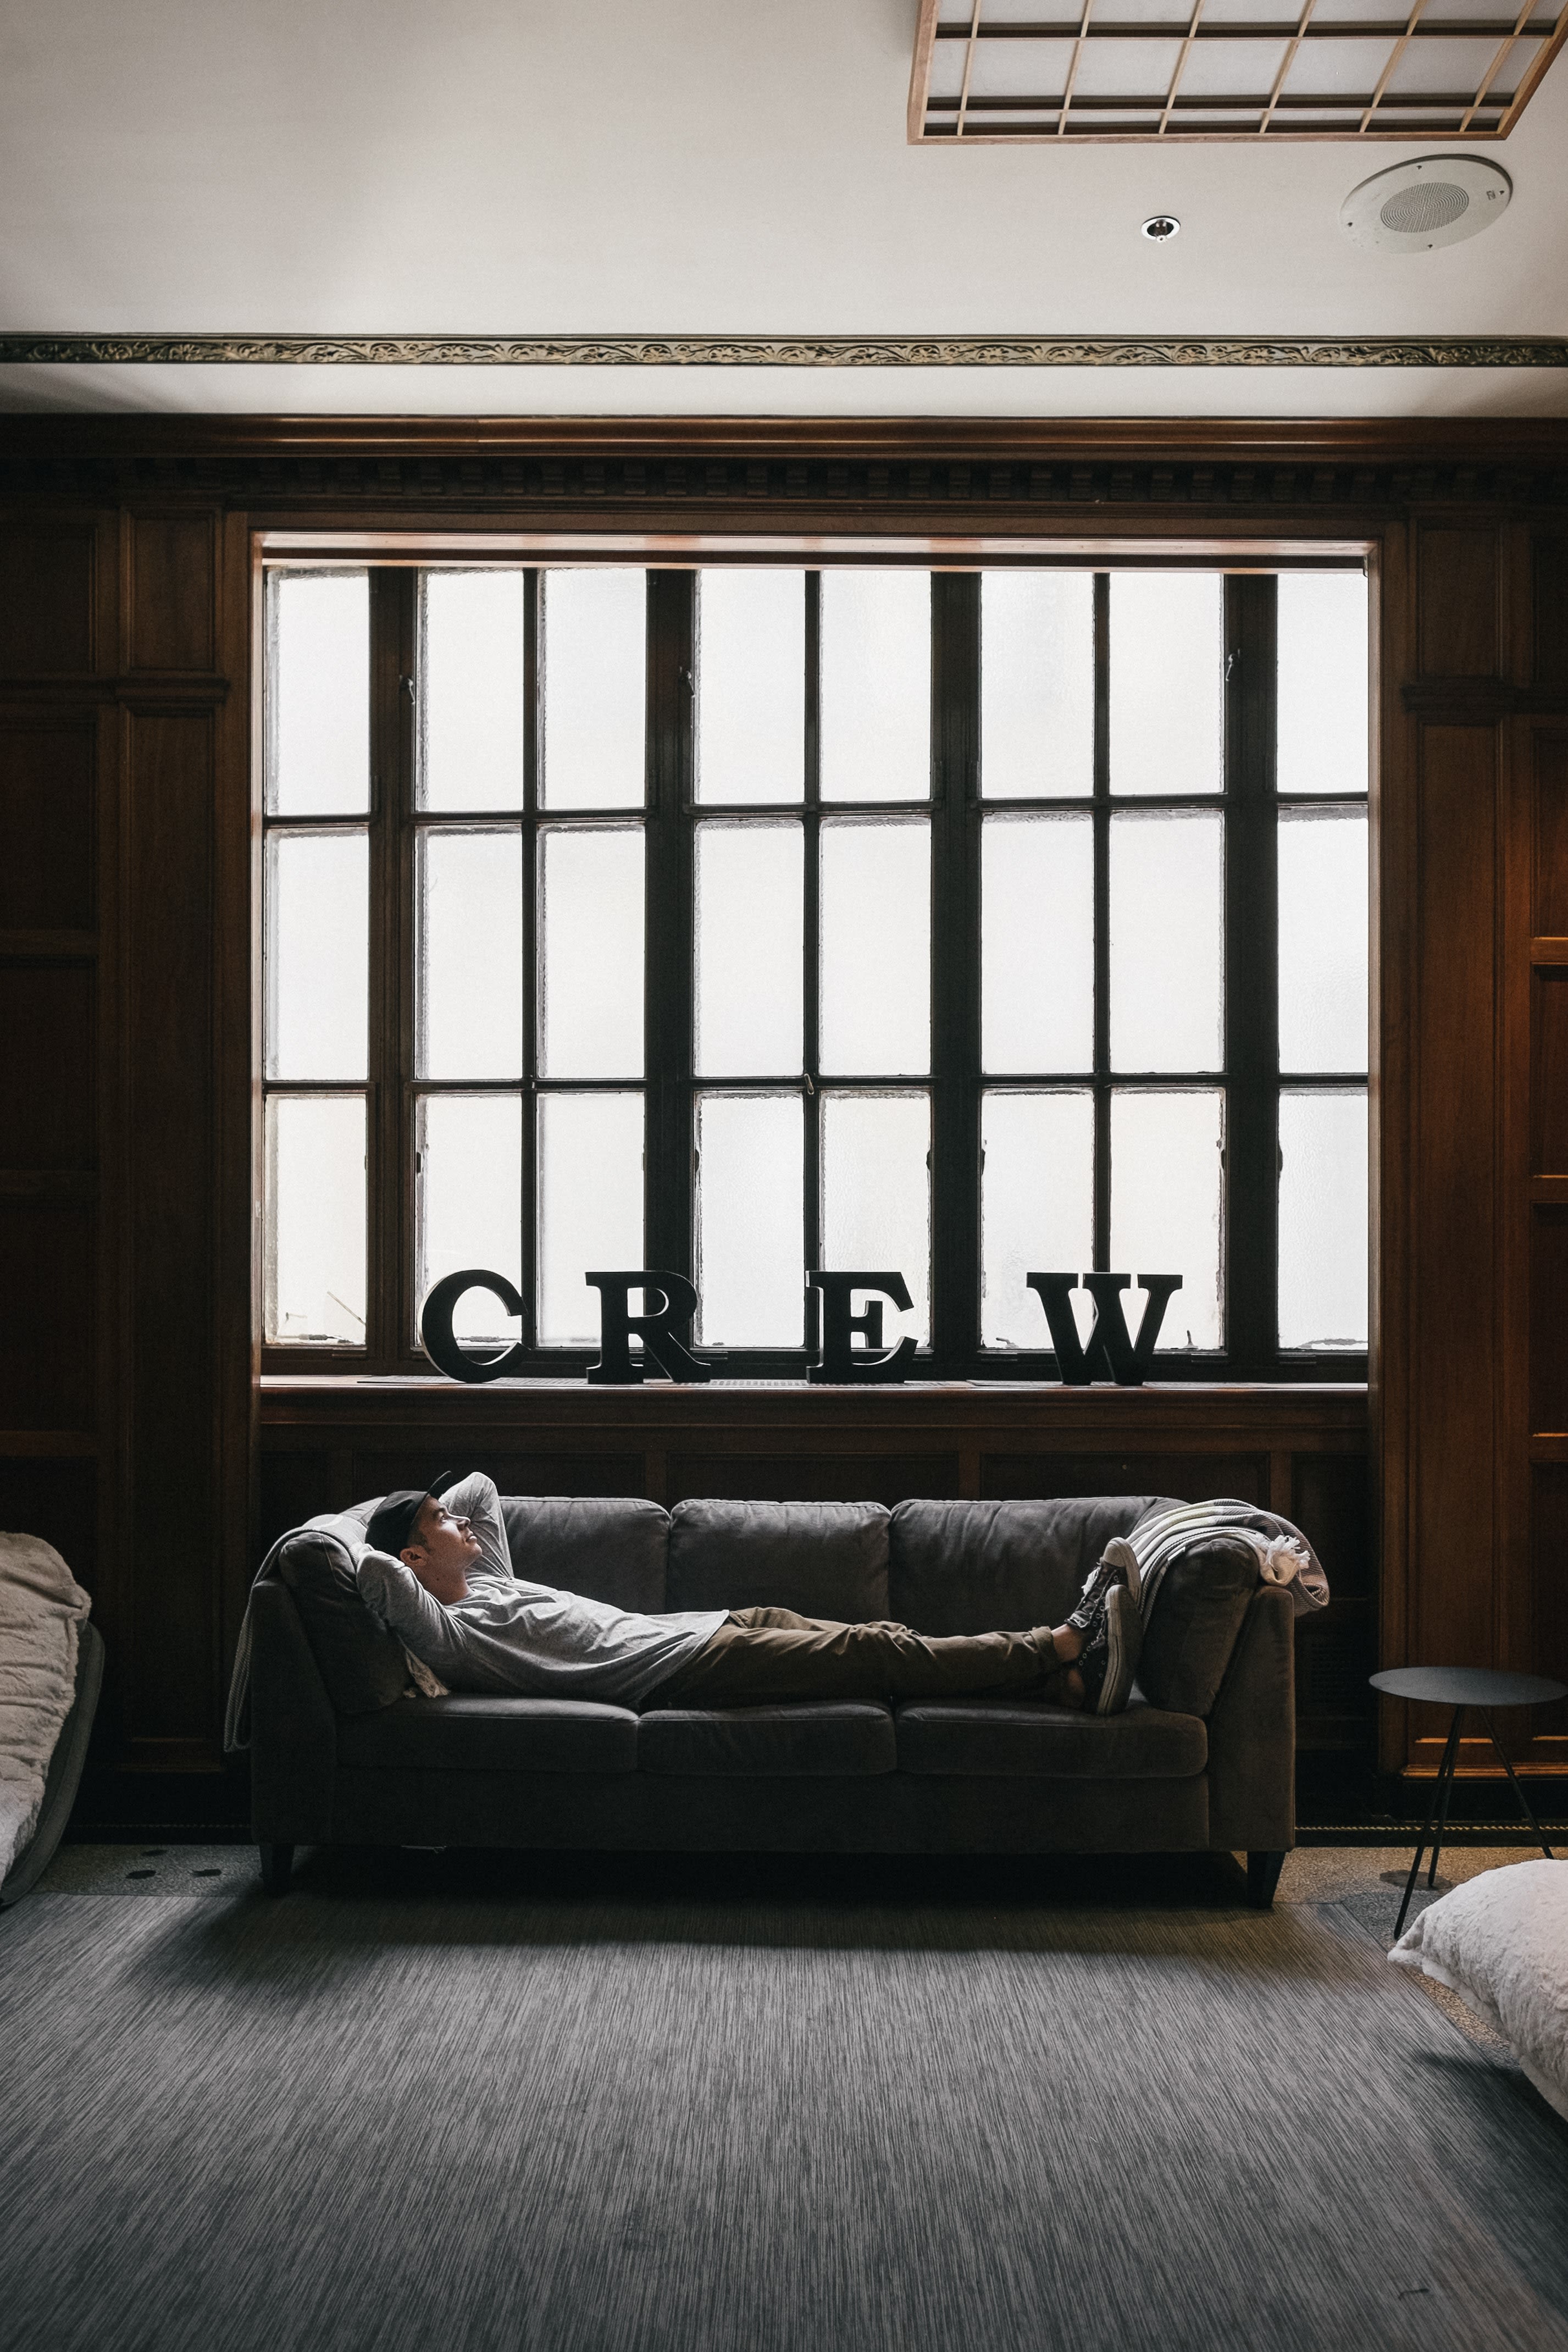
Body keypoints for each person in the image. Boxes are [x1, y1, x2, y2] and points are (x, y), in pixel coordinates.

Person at [357, 1473, 1144, 1718]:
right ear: (417, 1555)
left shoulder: (485, 1574)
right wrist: (352, 1533)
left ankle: (1067, 1687)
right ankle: (1064, 1642)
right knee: (873, 1651)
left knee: (880, 1635)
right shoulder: (451, 1630)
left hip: (699, 1629)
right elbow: (376, 1576)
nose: (463, 1519)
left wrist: (424, 1516)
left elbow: (481, 1487)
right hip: (677, 1670)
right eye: (440, 1522)